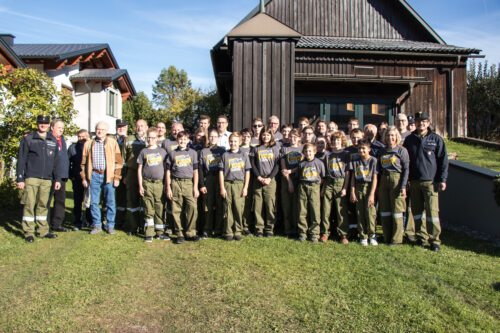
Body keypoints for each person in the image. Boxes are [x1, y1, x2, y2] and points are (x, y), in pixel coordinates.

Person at [403, 112, 448, 252]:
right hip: (414, 182)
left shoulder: (436, 139)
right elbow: (405, 162)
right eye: (418, 121)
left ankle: (435, 240)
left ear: (428, 123)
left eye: (424, 121)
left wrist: (442, 179)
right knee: (416, 212)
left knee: (432, 212)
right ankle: (421, 238)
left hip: (431, 182)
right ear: (414, 123)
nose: (421, 124)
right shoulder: (409, 139)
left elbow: (443, 161)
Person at [16, 115, 61, 242]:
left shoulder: (52, 140)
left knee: (43, 205)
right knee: (29, 205)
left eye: (46, 123)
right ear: (37, 124)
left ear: (49, 125)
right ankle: (29, 232)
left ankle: (43, 231)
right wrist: (20, 179)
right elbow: (21, 159)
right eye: (41, 123)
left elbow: (56, 162)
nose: (43, 125)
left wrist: (57, 179)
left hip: (47, 179)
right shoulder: (29, 139)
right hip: (31, 178)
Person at [81, 121, 123, 235]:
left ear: (107, 131)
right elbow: (83, 164)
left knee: (110, 202)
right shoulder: (88, 144)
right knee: (94, 202)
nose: (100, 131)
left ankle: (110, 225)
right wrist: (84, 178)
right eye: (98, 129)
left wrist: (117, 177)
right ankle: (97, 225)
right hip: (94, 175)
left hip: (108, 176)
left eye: (103, 130)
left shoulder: (113, 143)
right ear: (95, 130)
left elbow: (119, 162)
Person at [165, 131, 200, 244]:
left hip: (189, 183)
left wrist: (195, 187)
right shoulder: (172, 154)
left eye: (185, 139)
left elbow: (195, 171)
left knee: (192, 207)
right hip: (176, 183)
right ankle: (179, 233)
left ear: (188, 140)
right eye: (180, 139)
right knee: (176, 209)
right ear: (177, 140)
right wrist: (169, 187)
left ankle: (190, 232)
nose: (182, 141)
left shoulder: (193, 153)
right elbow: (168, 172)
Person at [378, 126, 410, 245]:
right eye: (388, 135)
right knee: (385, 210)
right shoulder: (382, 151)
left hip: (397, 179)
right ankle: (387, 236)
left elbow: (406, 169)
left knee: (397, 210)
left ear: (396, 137)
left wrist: (403, 186)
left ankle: (396, 239)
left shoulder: (402, 150)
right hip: (383, 179)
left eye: (392, 135)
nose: (390, 137)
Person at [137, 127, 170, 243]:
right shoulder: (143, 152)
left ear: (157, 138)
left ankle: (160, 232)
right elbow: (139, 169)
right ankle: (149, 232)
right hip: (147, 183)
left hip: (159, 184)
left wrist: (167, 184)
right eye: (148, 137)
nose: (150, 139)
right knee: (148, 207)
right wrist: (140, 185)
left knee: (159, 206)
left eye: (153, 138)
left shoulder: (162, 152)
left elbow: (167, 170)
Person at [219, 132, 251, 241]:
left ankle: (238, 230)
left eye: (235, 141)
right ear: (229, 142)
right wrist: (222, 187)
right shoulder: (225, 155)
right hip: (228, 184)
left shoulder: (243, 155)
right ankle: (228, 231)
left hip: (239, 184)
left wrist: (246, 187)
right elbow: (221, 172)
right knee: (227, 208)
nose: (233, 143)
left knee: (238, 208)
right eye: (231, 141)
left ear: (240, 142)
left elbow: (247, 172)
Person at [250, 127, 280, 237]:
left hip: (270, 180)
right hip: (258, 180)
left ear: (271, 136)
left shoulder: (275, 148)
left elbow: (278, 165)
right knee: (258, 205)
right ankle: (259, 228)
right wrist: (258, 176)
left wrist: (270, 178)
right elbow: (252, 164)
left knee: (270, 204)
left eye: (268, 134)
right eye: (263, 134)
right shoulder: (256, 148)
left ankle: (269, 228)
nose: (265, 136)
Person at [321, 131, 350, 244]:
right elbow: (325, 173)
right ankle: (325, 233)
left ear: (341, 141)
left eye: (338, 140)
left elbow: (347, 173)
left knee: (340, 209)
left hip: (340, 182)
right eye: (333, 140)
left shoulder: (346, 154)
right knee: (326, 209)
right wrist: (323, 188)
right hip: (329, 182)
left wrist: (345, 188)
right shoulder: (328, 155)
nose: (336, 142)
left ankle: (343, 234)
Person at [350, 139, 378, 246]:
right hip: (358, 187)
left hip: (369, 186)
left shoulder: (373, 161)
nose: (361, 150)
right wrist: (352, 192)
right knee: (360, 212)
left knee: (370, 212)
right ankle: (363, 235)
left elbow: (375, 178)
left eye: (363, 148)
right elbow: (353, 178)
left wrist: (371, 194)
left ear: (369, 149)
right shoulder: (355, 160)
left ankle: (372, 235)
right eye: (359, 148)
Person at [199, 129, 225, 238]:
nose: (213, 138)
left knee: (219, 205)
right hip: (208, 179)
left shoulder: (223, 151)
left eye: (215, 136)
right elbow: (200, 169)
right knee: (208, 205)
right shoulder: (203, 151)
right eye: (211, 136)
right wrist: (202, 184)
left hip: (219, 179)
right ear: (208, 137)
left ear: (218, 138)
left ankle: (218, 229)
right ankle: (207, 229)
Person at [296, 143, 326, 242]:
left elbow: (323, 177)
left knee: (315, 210)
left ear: (314, 151)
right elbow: (298, 176)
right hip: (303, 186)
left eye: (310, 151)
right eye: (306, 151)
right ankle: (302, 232)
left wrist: (321, 189)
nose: (308, 153)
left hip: (315, 187)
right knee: (302, 210)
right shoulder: (301, 164)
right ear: (303, 152)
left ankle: (315, 233)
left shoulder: (319, 163)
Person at [124, 119, 148, 235]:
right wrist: (124, 175)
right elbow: (123, 159)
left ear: (147, 127)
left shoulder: (151, 139)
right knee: (132, 201)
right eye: (138, 126)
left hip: (146, 174)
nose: (140, 128)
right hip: (132, 173)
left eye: (142, 126)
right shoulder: (128, 139)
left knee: (145, 202)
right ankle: (133, 227)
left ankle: (144, 227)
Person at [279, 129, 303, 238]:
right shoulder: (284, 149)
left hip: (299, 178)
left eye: (295, 137)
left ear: (299, 137)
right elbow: (283, 167)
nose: (293, 139)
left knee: (297, 205)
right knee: (286, 204)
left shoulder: (302, 149)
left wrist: (292, 171)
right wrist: (289, 182)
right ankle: (287, 229)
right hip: (286, 179)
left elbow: (302, 165)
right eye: (291, 136)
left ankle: (296, 228)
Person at [48, 119, 70, 232]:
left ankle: (57, 224)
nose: (61, 129)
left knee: (60, 201)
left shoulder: (62, 140)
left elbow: (63, 158)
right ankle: (44, 225)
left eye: (62, 128)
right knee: (46, 201)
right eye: (58, 127)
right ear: (52, 127)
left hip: (61, 175)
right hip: (49, 176)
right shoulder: (47, 139)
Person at [68, 129, 91, 230]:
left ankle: (90, 221)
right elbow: (67, 162)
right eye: (79, 136)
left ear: (88, 136)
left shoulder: (92, 146)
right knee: (78, 201)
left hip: (90, 177)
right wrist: (71, 175)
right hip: (77, 178)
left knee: (90, 200)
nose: (81, 138)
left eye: (84, 136)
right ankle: (77, 221)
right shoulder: (72, 148)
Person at [115, 119, 128, 229]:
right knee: (114, 198)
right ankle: (116, 220)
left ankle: (125, 220)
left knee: (126, 198)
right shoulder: (111, 139)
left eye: (123, 127)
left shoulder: (130, 140)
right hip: (113, 172)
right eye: (119, 126)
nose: (121, 128)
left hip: (127, 173)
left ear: (127, 128)